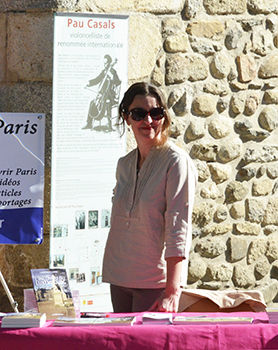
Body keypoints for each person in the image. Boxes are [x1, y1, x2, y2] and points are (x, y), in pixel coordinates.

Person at [102, 82, 198, 313]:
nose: (148, 121)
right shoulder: (124, 165)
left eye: (156, 113)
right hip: (119, 277)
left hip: (154, 283)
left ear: (164, 117)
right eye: (138, 114)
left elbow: (179, 226)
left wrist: (172, 292)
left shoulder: (176, 162)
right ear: (126, 118)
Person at [82, 54, 121, 132]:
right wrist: (89, 83)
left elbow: (118, 82)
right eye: (104, 63)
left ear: (109, 63)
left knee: (107, 103)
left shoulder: (113, 72)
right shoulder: (104, 72)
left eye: (106, 63)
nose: (105, 65)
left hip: (110, 95)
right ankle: (89, 124)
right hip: (102, 95)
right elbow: (97, 79)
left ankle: (109, 126)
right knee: (92, 103)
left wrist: (112, 78)